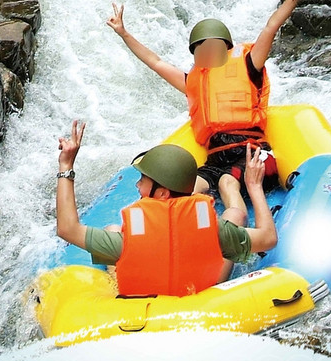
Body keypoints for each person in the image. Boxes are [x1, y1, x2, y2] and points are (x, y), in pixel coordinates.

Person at [107, 1, 299, 222]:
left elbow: (270, 27)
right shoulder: (193, 81)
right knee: (185, 189)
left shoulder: (249, 62)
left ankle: (234, 234)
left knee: (228, 183)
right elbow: (155, 62)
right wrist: (124, 33)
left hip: (252, 153)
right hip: (216, 159)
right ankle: (156, 233)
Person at [56, 120, 278, 297]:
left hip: (143, 304)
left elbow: (67, 228)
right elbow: (268, 238)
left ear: (162, 192)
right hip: (203, 296)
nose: (137, 185)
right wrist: (254, 187)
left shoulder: (126, 241)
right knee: (235, 216)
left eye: (143, 180)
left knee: (114, 228)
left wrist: (66, 166)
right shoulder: (214, 230)